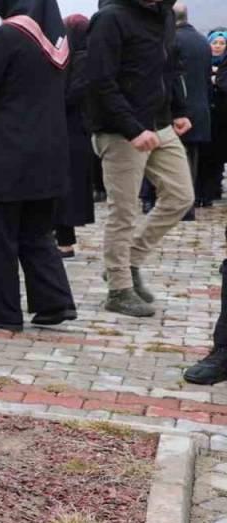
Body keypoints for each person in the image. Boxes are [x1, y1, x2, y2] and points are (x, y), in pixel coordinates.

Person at [0, 0, 76, 332]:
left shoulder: (7, 35)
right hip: (51, 150)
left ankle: (4, 311)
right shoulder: (60, 41)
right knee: (37, 232)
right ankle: (54, 302)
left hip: (9, 152)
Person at [88, 0, 195, 318]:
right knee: (123, 212)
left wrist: (179, 109)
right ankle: (119, 290)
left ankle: (128, 260)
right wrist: (132, 129)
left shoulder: (163, 15)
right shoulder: (109, 19)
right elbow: (99, 81)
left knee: (180, 196)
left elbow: (168, 67)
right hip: (121, 132)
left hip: (161, 125)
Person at [56, 14, 97, 257]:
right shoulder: (86, 57)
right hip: (76, 131)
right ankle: (62, 237)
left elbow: (72, 94)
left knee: (66, 187)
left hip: (71, 130)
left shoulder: (78, 59)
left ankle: (64, 240)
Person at [172, 2, 213, 220]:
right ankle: (188, 207)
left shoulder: (172, 40)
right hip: (200, 108)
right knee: (191, 162)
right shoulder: (202, 41)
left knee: (175, 162)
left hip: (178, 109)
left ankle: (177, 206)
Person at [198, 30, 227, 207]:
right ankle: (208, 190)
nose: (217, 46)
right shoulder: (203, 62)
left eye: (221, 43)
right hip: (209, 113)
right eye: (215, 42)